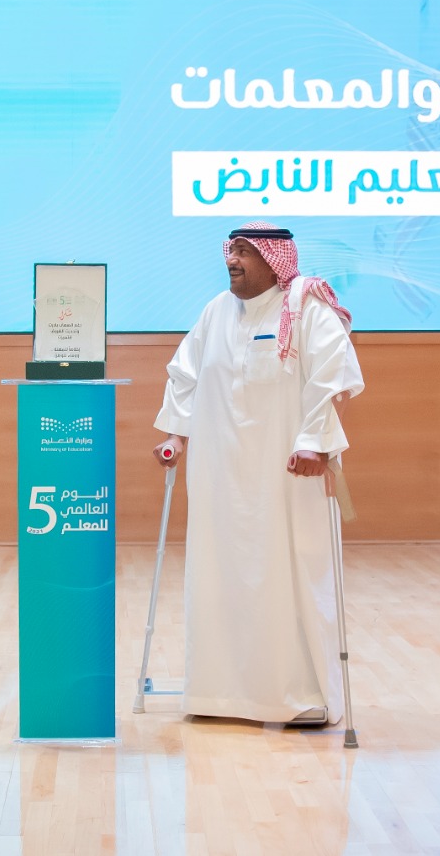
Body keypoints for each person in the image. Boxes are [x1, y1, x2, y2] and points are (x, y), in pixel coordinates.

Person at [152, 221, 363, 725]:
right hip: (219, 475)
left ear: (274, 259)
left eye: (245, 252)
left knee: (288, 574)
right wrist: (176, 435)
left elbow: (332, 377)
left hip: (286, 474)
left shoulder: (306, 307)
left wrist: (314, 441)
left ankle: (301, 695)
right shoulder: (215, 311)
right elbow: (185, 375)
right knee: (218, 573)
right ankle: (217, 695)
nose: (233, 260)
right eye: (232, 250)